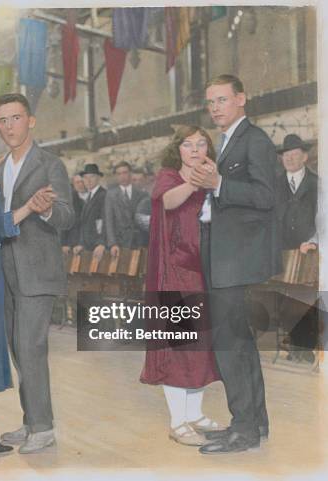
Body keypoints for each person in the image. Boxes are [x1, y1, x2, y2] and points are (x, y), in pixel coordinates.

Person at [0, 93, 75, 453]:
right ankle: (30, 419)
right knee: (17, 350)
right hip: (0, 272)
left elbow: (67, 216)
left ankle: (42, 427)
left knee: (30, 345)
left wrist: (46, 210)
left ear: (31, 121)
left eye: (15, 118)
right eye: (1, 121)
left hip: (38, 271)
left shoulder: (50, 164)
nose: (8, 127)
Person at [191, 74, 281, 454]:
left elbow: (267, 195)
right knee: (240, 344)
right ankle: (253, 423)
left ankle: (242, 429)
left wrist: (218, 185)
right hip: (226, 258)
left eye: (222, 100)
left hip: (236, 261)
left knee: (230, 344)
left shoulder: (254, 140)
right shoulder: (229, 141)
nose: (215, 108)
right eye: (210, 102)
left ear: (242, 99)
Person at [140, 125, 221, 447]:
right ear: (178, 150)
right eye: (188, 144)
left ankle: (195, 414)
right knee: (178, 345)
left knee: (200, 345)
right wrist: (195, 180)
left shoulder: (209, 180)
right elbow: (170, 202)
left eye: (202, 144)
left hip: (202, 269)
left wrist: (211, 182)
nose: (196, 149)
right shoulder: (169, 176)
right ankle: (177, 421)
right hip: (174, 271)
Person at [275, 134, 317, 250]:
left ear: (304, 157)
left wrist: (314, 241)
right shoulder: (273, 186)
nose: (289, 158)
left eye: (294, 154)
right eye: (286, 155)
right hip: (282, 254)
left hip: (310, 252)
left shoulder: (318, 184)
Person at [104, 161, 150, 256]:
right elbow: (109, 221)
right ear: (116, 176)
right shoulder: (111, 195)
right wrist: (113, 244)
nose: (122, 176)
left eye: (125, 172)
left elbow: (146, 221)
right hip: (121, 243)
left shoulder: (142, 194)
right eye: (119, 174)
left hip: (140, 243)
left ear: (130, 173)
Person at [73, 164, 106, 260]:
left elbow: (106, 223)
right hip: (88, 247)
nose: (88, 180)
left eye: (92, 177)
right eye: (85, 177)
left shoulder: (103, 195)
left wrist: (102, 244)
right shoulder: (89, 196)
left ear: (98, 178)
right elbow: (85, 223)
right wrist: (81, 244)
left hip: (98, 248)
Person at [61, 173, 86, 252]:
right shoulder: (70, 201)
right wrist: (64, 244)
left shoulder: (93, 197)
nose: (80, 184)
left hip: (89, 244)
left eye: (82, 181)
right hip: (73, 245)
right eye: (77, 182)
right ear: (73, 184)